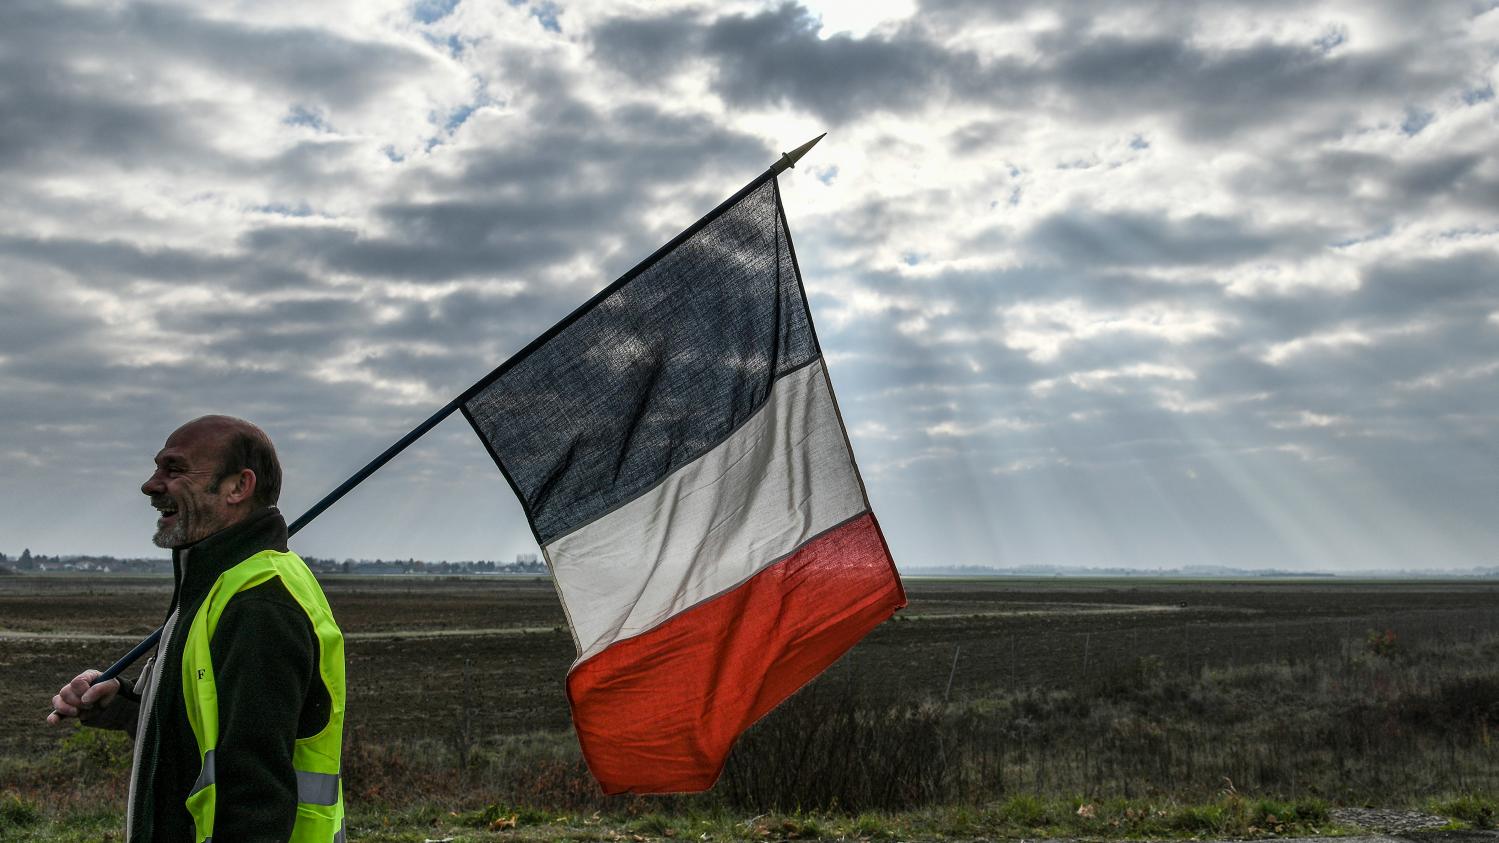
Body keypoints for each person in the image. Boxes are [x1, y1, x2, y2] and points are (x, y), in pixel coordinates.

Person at [48, 415, 346, 842]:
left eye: (174, 469)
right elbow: (204, 735)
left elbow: (255, 798)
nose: (150, 485)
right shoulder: (217, 584)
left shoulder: (257, 603)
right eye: (156, 468)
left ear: (238, 487)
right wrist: (124, 704)